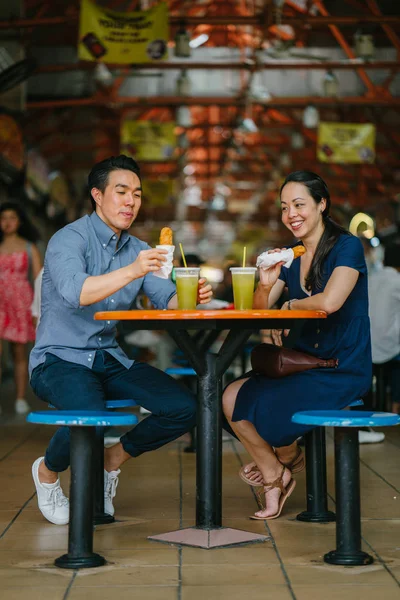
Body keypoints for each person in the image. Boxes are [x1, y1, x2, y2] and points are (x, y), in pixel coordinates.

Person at [29, 154, 212, 525]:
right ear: (97, 195)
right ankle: (47, 471)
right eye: (122, 191)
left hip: (108, 358)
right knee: (91, 415)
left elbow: (167, 301)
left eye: (138, 194)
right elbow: (76, 292)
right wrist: (133, 269)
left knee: (184, 407)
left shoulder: (139, 250)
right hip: (58, 359)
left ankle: (113, 460)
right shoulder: (68, 239)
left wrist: (192, 294)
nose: (131, 201)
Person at [222, 170, 371, 520]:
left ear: (322, 204)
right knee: (226, 396)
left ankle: (287, 458)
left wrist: (287, 306)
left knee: (269, 411)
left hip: (340, 368)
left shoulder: (346, 246)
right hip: (299, 363)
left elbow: (330, 301)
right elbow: (260, 313)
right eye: (285, 207)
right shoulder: (290, 255)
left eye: (300, 204)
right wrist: (265, 283)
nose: (291, 214)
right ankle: (275, 473)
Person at [0, 202, 42, 414]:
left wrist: (37, 310)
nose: (7, 222)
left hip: (20, 303)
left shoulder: (28, 246)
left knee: (19, 352)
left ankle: (19, 398)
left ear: (19, 221)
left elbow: (39, 279)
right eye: (3, 218)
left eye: (12, 218)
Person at [368, 240, 400, 415]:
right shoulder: (397, 281)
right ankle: (395, 405)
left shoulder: (372, 277)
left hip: (367, 342)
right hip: (388, 345)